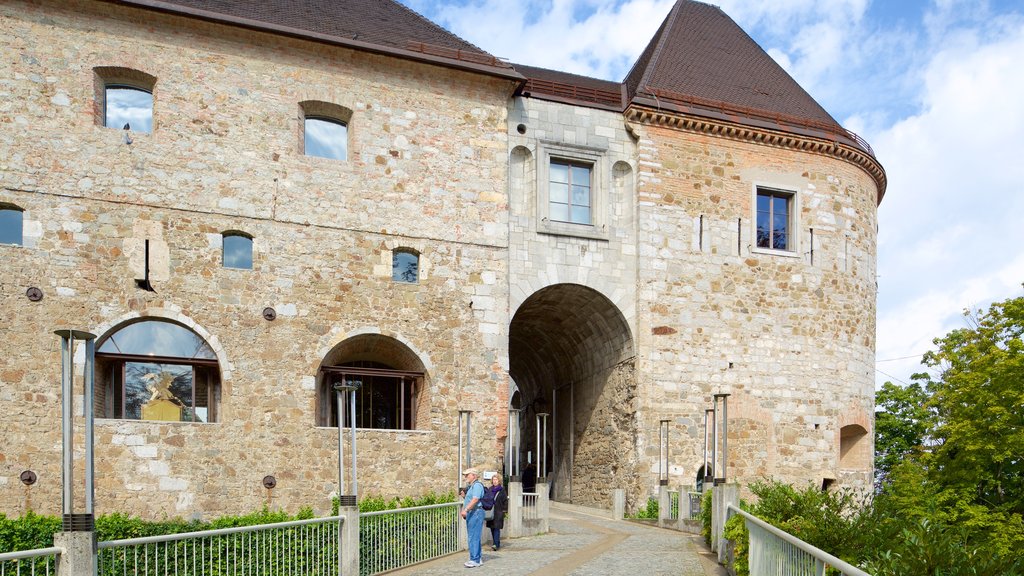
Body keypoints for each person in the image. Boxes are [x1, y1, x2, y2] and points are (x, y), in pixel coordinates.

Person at [460, 467, 485, 568]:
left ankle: (474, 559)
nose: (466, 477)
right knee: (474, 536)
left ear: (474, 475)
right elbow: (472, 499)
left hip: (475, 513)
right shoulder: (473, 486)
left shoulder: (477, 485)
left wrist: (465, 510)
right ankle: (477, 558)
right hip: (474, 512)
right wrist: (464, 497)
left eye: (467, 475)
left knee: (473, 537)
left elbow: (475, 500)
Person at [485, 473, 508, 551]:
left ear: (499, 481)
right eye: (494, 479)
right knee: (492, 528)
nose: (495, 481)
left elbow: (505, 501)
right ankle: (495, 542)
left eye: (496, 479)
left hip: (499, 511)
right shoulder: (490, 489)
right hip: (491, 511)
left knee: (497, 528)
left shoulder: (502, 490)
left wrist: (504, 510)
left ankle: (496, 544)